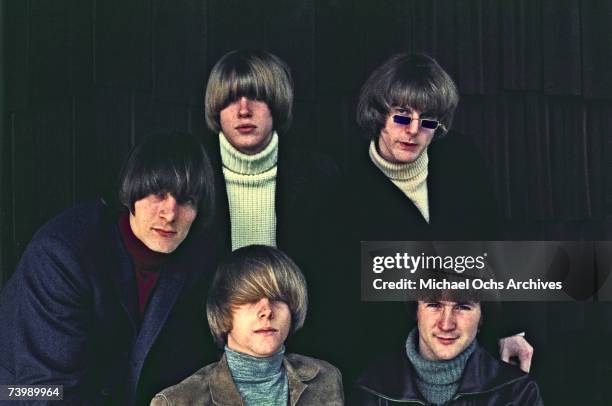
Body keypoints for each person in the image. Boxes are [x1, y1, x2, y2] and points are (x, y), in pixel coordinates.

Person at [341, 53, 533, 382]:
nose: (414, 131)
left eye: (428, 120)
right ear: (379, 115)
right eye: (402, 117)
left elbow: (496, 247)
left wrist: (510, 328)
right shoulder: (345, 185)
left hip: (469, 346)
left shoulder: (461, 159)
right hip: (386, 361)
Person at [0, 133, 218, 405]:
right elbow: (48, 389)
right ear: (132, 193)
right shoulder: (63, 253)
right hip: (22, 392)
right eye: (158, 194)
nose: (170, 213)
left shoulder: (195, 259)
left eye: (186, 200)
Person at [151, 245, 344, 406]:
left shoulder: (326, 378)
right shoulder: (177, 401)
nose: (267, 311)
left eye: (278, 298)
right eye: (250, 299)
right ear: (223, 312)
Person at [354, 285, 543, 405]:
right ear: (416, 311)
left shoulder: (518, 393)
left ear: (481, 317)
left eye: (462, 307)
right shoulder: (372, 390)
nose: (446, 324)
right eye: (434, 304)